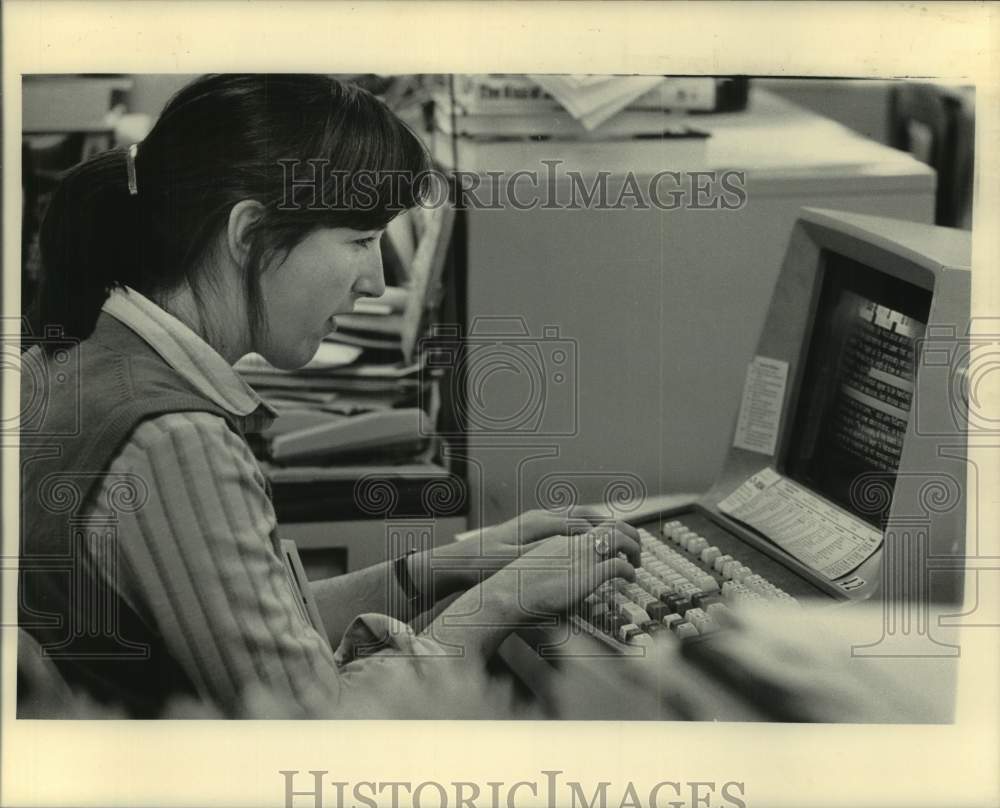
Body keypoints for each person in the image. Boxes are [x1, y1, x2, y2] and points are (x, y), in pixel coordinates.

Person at [18, 74, 639, 718]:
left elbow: (255, 630)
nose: (373, 281)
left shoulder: (80, 357)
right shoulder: (174, 439)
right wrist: (503, 602)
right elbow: (320, 727)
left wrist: (450, 565)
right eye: (359, 241)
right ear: (248, 234)